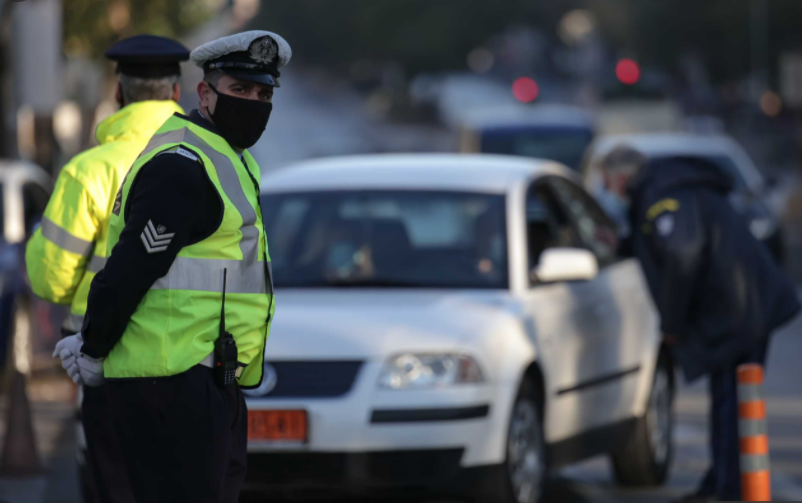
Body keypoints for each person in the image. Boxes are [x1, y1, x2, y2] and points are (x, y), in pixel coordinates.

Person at [55, 30, 286, 503]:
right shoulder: (182, 166)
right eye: (239, 91)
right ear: (204, 93)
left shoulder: (226, 157)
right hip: (164, 393)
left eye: (263, 94)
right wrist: (92, 349)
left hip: (198, 385)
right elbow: (129, 270)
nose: (254, 103)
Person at [30, 34, 190, 503]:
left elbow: (50, 280)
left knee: (115, 488)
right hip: (193, 367)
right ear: (177, 93)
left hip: (105, 363)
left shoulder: (89, 171)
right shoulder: (210, 163)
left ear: (119, 93)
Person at [599, 146, 801, 502]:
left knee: (731, 401)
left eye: (605, 180)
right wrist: (626, 245)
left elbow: (682, 252)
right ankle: (723, 480)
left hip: (739, 309)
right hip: (743, 305)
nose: (606, 188)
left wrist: (672, 322)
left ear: (619, 176)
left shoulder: (661, 196)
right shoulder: (668, 190)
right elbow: (662, 244)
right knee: (730, 399)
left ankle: (729, 488)